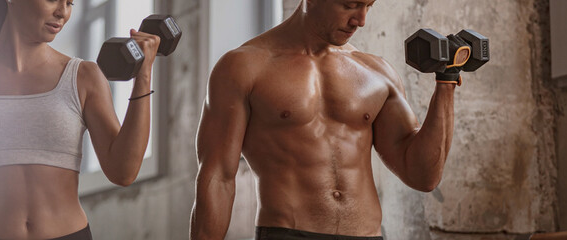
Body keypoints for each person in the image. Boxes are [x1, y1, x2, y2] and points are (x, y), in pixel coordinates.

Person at [191, 0, 458, 239]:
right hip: (288, 233)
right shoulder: (244, 67)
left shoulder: (376, 72)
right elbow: (218, 178)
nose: (361, 20)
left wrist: (445, 84)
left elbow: (423, 176)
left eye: (368, 6)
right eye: (349, 5)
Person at [0, 0, 161, 239]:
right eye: (53, 0)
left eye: (70, 3)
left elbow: (123, 172)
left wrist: (144, 77)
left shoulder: (84, 76)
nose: (62, 12)